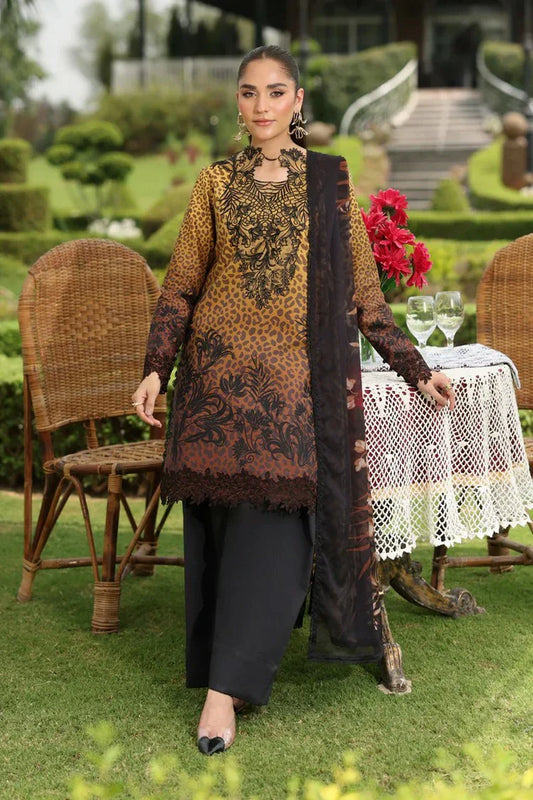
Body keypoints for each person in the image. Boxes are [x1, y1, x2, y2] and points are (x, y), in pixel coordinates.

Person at [132, 45, 455, 756]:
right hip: (216, 383)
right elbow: (181, 285)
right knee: (224, 535)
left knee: (278, 537)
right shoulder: (214, 184)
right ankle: (224, 682)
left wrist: (414, 368)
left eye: (275, 92)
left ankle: (225, 690)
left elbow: (365, 296)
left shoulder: (329, 184)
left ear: (298, 100)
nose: (261, 106)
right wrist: (156, 367)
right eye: (249, 92)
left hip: (292, 391)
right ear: (237, 101)